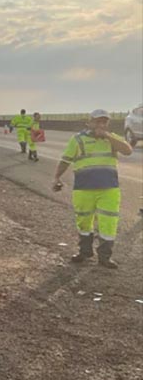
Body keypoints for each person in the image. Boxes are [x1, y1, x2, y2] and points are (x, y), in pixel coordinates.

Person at [52, 109, 133, 268]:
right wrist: (56, 178)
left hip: (109, 189)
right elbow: (65, 160)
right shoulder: (77, 140)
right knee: (84, 221)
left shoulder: (111, 138)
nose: (101, 124)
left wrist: (108, 136)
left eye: (104, 122)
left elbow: (127, 150)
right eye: (97, 121)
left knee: (108, 223)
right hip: (84, 189)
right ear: (89, 122)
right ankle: (84, 252)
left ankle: (105, 257)